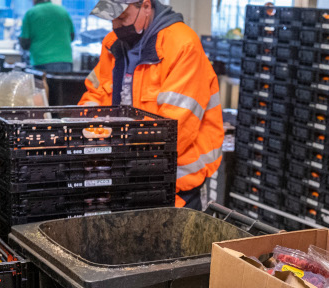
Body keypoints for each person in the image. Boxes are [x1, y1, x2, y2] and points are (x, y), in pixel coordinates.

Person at [80, 0, 224, 209]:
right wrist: (88, 137)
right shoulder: (113, 44)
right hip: (129, 176)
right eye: (112, 19)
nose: (116, 26)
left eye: (122, 17)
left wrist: (119, 154)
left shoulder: (183, 45)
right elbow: (96, 94)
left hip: (175, 183)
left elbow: (174, 128)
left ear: (146, 6)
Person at [19, 0, 75, 73]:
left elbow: (24, 43)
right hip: (65, 61)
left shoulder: (31, 13)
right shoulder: (63, 11)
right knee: (62, 84)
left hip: (42, 61)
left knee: (44, 84)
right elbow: (72, 36)